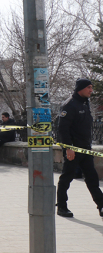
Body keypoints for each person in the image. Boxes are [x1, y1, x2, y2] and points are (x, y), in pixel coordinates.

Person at [56, 79, 103, 218]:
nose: (91, 90)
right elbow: (63, 129)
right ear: (80, 88)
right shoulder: (69, 104)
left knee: (92, 178)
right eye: (89, 87)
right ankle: (62, 207)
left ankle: (101, 205)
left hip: (85, 149)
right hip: (73, 149)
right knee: (67, 178)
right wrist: (68, 148)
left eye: (91, 87)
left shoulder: (85, 103)